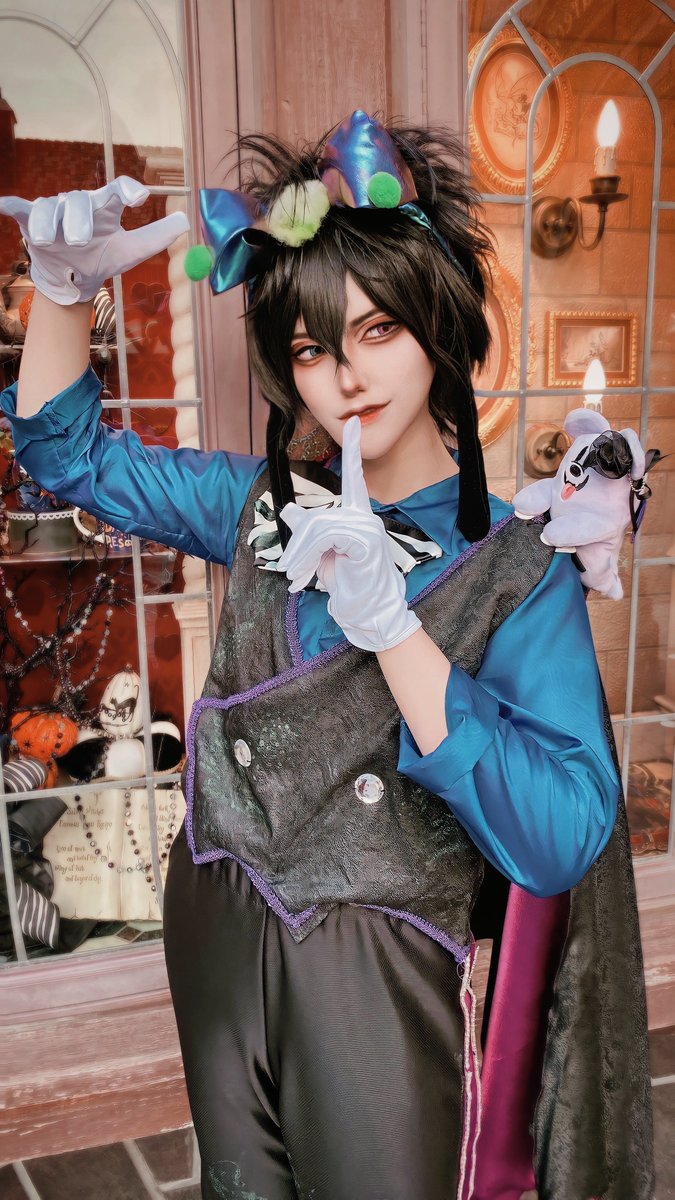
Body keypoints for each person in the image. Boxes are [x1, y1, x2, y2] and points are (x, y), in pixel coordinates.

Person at [0, 112, 654, 1200]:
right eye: (311, 347)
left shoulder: (518, 566)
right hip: (216, 921)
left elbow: (560, 838)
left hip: (376, 971)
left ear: (436, 321)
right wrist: (61, 295)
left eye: (378, 329)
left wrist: (394, 629)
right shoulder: (260, 507)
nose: (346, 375)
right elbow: (69, 457)